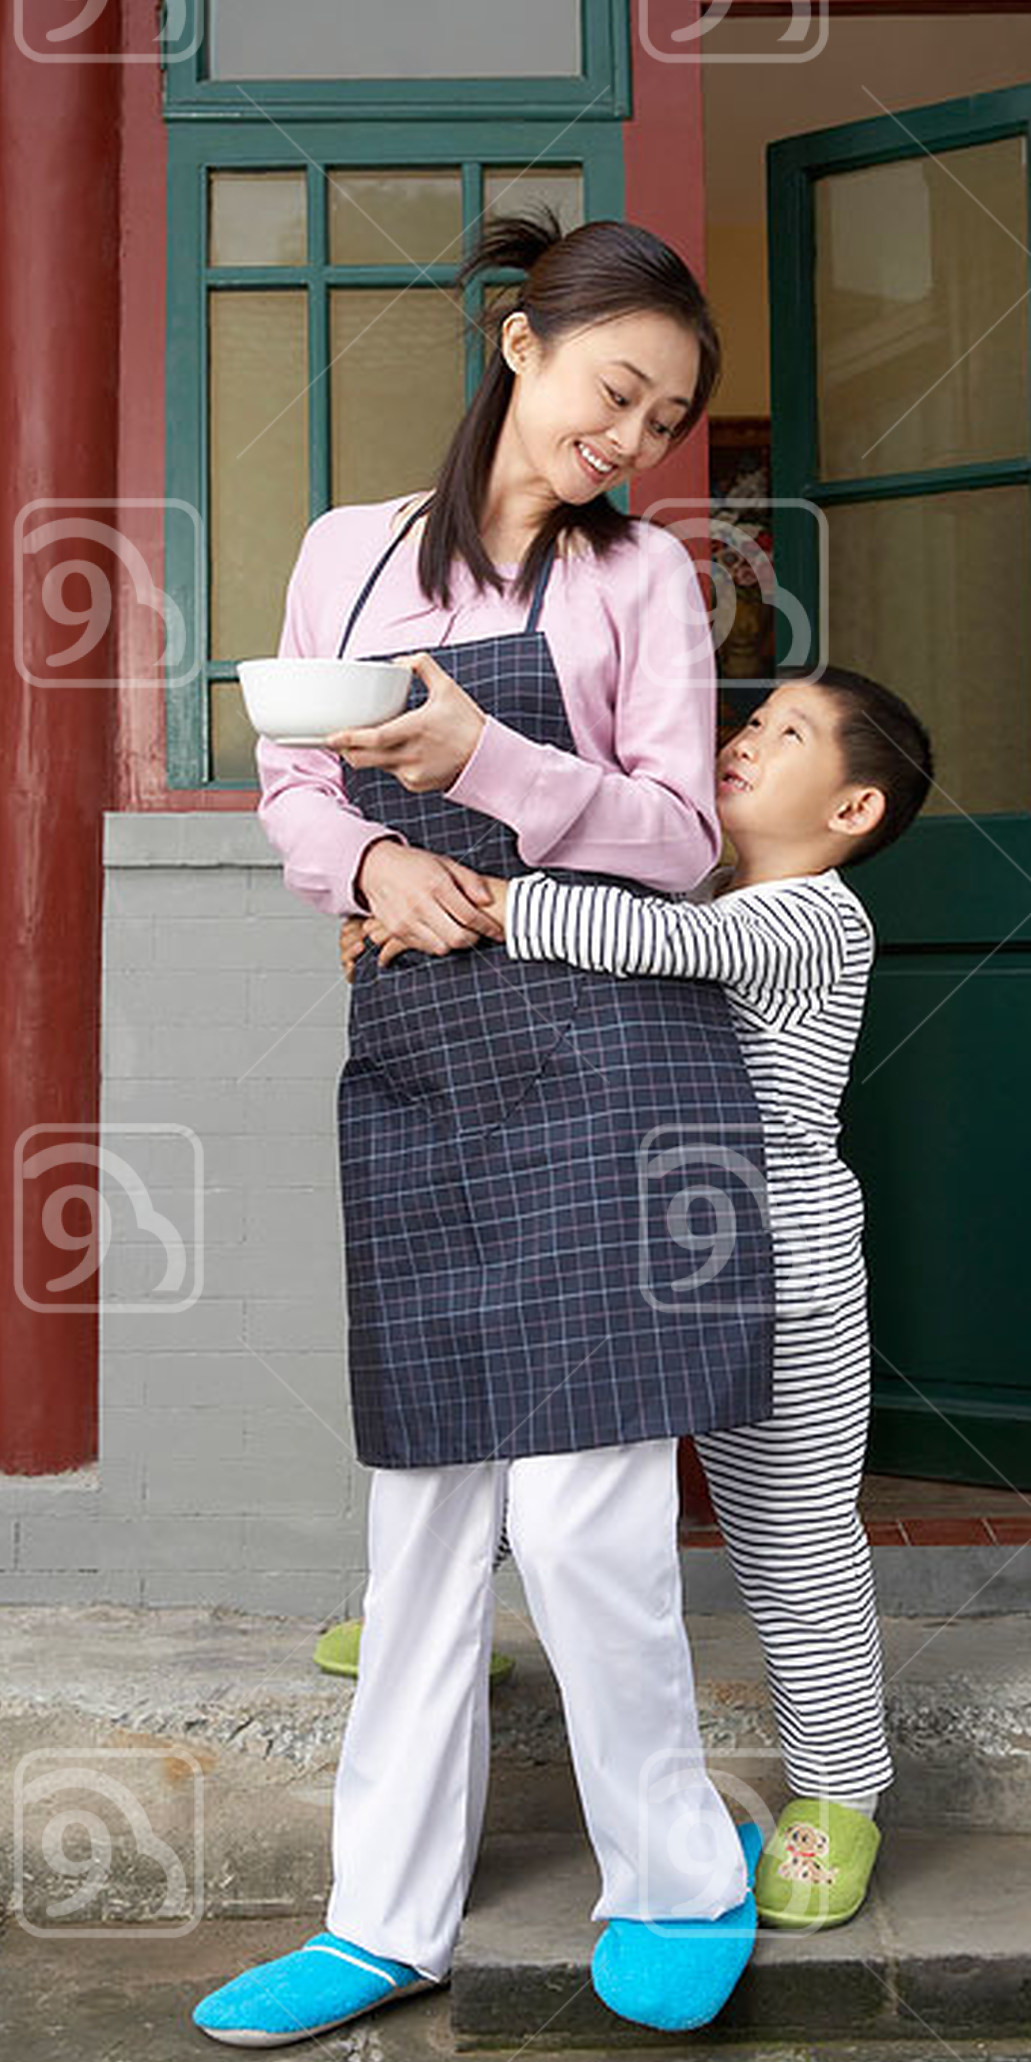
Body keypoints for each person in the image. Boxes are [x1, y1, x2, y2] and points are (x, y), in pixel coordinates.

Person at [192, 208, 775, 2048]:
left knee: (592, 1512)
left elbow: (687, 839)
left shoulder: (644, 585)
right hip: (428, 1048)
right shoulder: (350, 555)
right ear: (524, 346)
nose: (634, 439)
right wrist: (369, 851)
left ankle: (676, 1870)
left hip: (610, 1049)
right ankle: (384, 1922)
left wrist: (488, 775)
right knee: (425, 1511)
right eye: (619, 390)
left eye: (666, 420)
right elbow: (291, 780)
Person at [343, 662, 936, 1931]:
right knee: (554, 1433)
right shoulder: (690, 875)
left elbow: (666, 946)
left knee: (792, 1539)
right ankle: (436, 1616)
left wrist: (494, 904)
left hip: (782, 1260)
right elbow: (597, 959)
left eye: (786, 736)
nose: (743, 742)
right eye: (750, 718)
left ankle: (841, 1792)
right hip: (654, 1232)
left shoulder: (812, 918)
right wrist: (410, 914)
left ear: (852, 812)